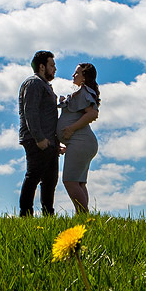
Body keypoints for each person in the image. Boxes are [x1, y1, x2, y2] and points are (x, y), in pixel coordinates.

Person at [18, 50, 60, 216]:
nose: (55, 69)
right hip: (37, 140)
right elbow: (31, 111)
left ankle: (48, 216)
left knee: (50, 181)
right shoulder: (34, 83)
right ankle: (25, 215)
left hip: (50, 142)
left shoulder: (45, 85)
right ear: (42, 67)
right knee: (33, 176)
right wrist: (39, 138)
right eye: (52, 65)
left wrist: (55, 142)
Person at [58, 62, 100, 213]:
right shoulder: (81, 93)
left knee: (70, 181)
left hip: (81, 142)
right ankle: (83, 217)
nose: (73, 76)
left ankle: (83, 215)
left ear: (84, 77)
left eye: (76, 73)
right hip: (80, 143)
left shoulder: (84, 92)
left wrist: (70, 129)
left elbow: (93, 113)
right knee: (80, 182)